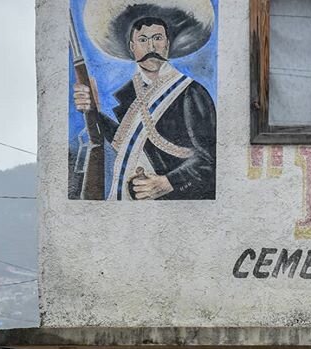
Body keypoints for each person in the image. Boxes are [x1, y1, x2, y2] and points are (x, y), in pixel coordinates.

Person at [73, 1, 216, 201]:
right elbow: (124, 142)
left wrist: (168, 182)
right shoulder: (131, 93)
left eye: (157, 38)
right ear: (132, 47)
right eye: (143, 39)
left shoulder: (191, 92)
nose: (151, 46)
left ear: (168, 43)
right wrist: (91, 110)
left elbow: (210, 163)